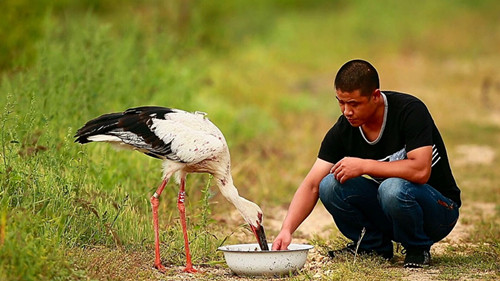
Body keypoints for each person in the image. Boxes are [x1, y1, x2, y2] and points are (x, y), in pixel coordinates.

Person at [272, 59, 461, 268]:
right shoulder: (345, 128)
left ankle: (417, 247)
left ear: (375, 96)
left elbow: (421, 170)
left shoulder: (410, 111)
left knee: (391, 187)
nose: (346, 111)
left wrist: (364, 166)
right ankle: (372, 246)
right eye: (341, 102)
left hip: (440, 211)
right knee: (330, 184)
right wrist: (287, 229)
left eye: (354, 104)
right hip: (393, 210)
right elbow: (312, 185)